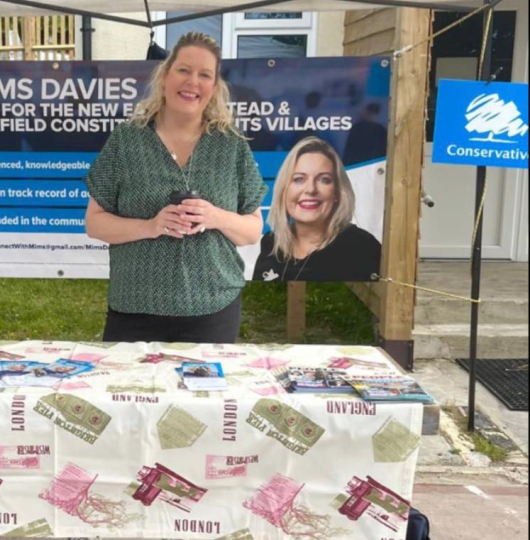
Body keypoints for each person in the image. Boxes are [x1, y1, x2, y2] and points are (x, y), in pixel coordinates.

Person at [84, 32, 268, 344]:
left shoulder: (231, 146)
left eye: (204, 74)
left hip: (213, 308)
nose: (192, 82)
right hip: (135, 310)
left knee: (202, 394)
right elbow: (94, 222)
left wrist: (214, 217)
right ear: (166, 75)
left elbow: (252, 230)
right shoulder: (127, 140)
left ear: (214, 86)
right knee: (127, 390)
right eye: (184, 70)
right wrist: (151, 225)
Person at [253, 136, 381, 282]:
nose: (311, 189)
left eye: (324, 179)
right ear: (284, 190)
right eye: (299, 179)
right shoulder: (271, 244)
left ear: (337, 192)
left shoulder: (361, 247)